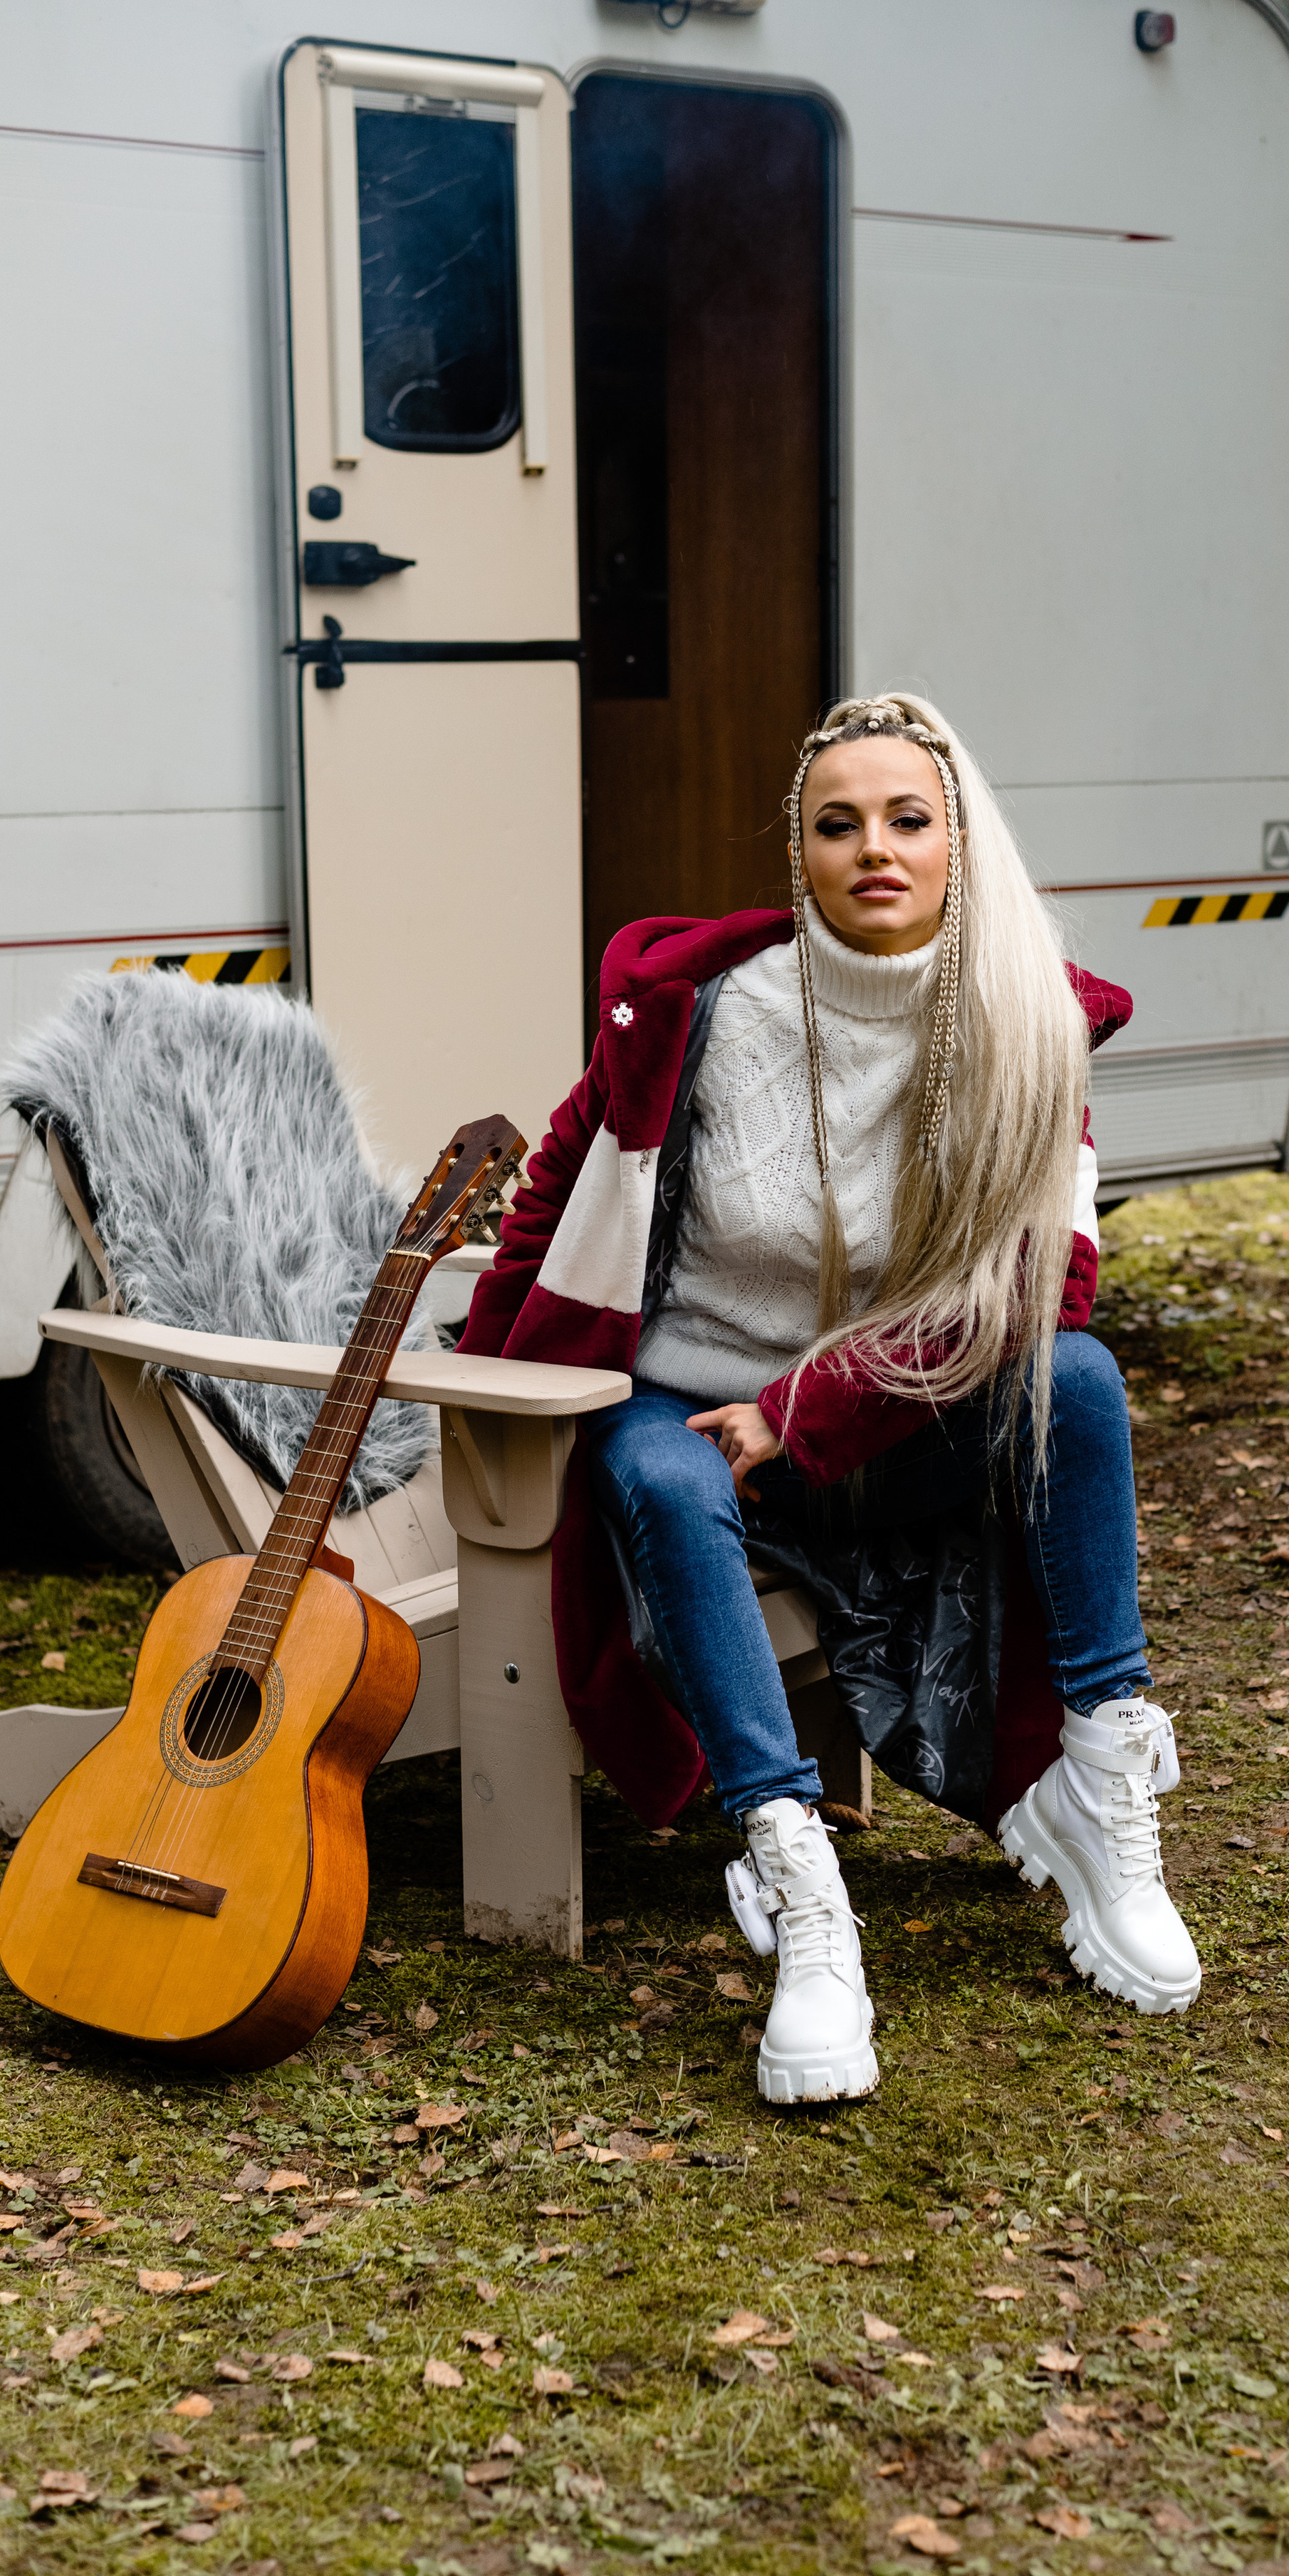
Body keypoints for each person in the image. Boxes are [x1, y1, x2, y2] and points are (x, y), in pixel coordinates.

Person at [457, 693, 1200, 2105]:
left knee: (1081, 1383)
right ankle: (798, 1889)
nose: (874, 848)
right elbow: (557, 1187)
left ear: (957, 841)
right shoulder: (697, 1016)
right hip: (674, 1406)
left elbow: (1041, 1290)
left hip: (876, 1418)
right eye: (836, 824)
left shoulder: (1024, 1025)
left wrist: (802, 1414)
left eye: (907, 820)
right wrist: (495, 1390)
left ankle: (1104, 1790)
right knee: (672, 1480)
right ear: (795, 853)